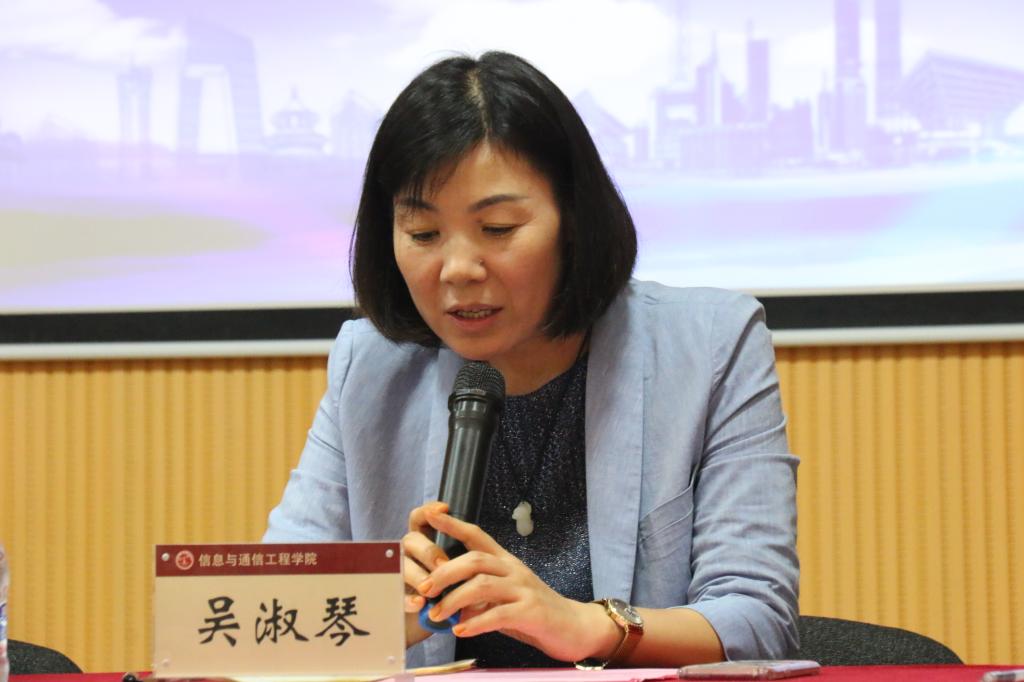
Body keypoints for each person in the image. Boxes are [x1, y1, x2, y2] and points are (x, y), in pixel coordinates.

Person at [263, 51, 798, 669]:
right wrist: (383, 615)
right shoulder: (372, 368)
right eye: (423, 234)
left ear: (572, 222)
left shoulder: (709, 346)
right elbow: (271, 616)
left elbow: (759, 619)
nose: (458, 269)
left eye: (497, 228)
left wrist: (586, 626)